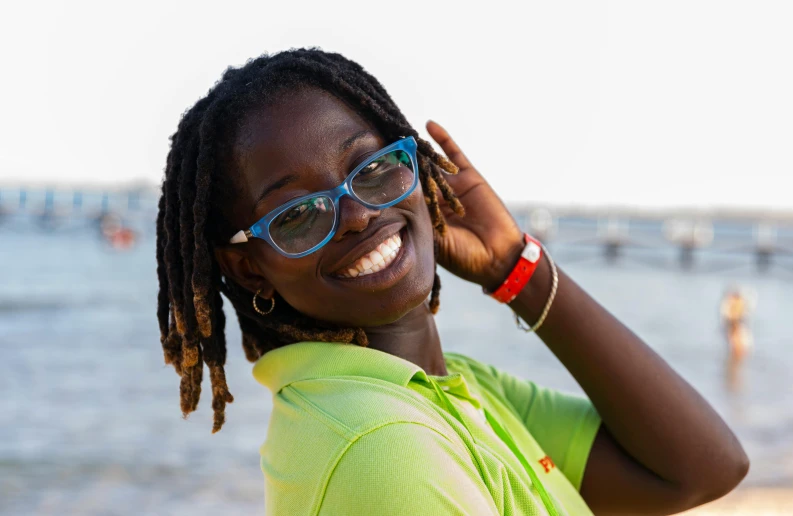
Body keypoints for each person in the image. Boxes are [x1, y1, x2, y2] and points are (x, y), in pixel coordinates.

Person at [155, 49, 748, 515]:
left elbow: (701, 470)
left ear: (421, 171)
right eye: (298, 213)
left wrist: (519, 269)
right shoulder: (381, 447)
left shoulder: (457, 387)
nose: (359, 214)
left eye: (377, 167)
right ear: (249, 266)